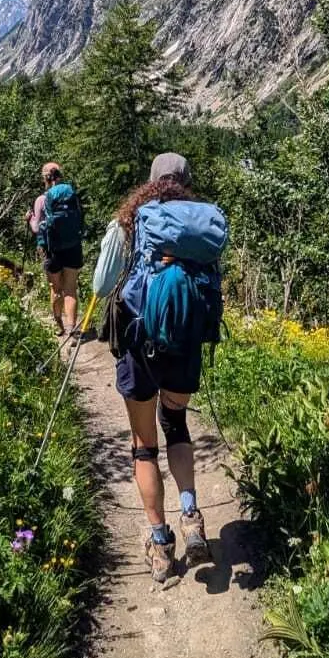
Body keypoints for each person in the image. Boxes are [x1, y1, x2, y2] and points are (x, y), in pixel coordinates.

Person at [91, 153, 226, 584]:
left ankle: (161, 546)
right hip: (184, 348)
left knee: (143, 445)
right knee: (178, 426)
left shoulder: (131, 222)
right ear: (185, 183)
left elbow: (100, 283)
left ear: (150, 182)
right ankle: (191, 517)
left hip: (139, 346)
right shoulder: (201, 229)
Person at [28, 162, 83, 338]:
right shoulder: (70, 194)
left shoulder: (41, 200)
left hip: (51, 249)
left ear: (44, 178)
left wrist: (29, 219)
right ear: (60, 175)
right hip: (73, 245)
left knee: (56, 288)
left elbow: (36, 228)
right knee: (70, 288)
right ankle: (72, 329)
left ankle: (59, 325)